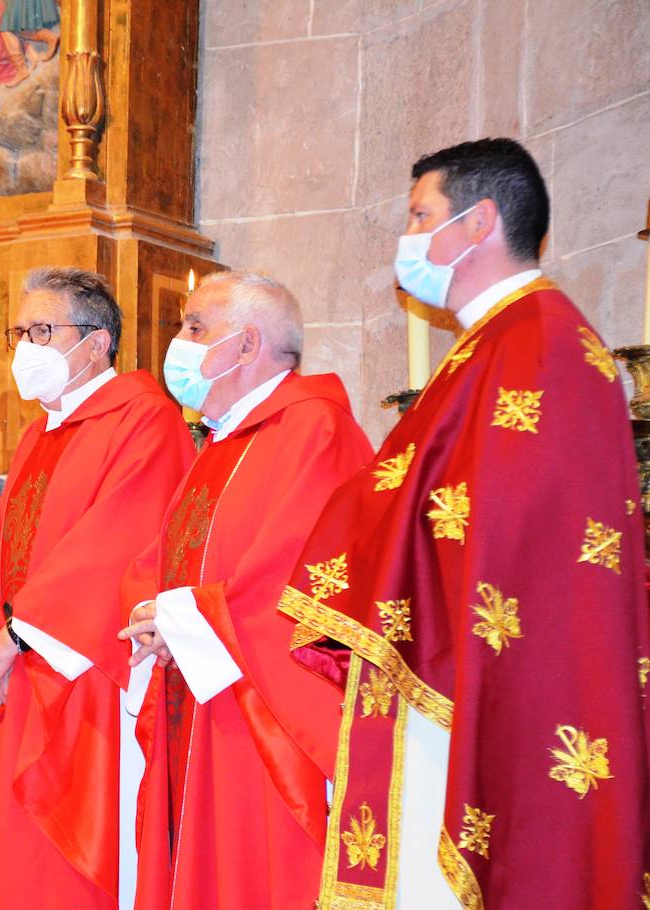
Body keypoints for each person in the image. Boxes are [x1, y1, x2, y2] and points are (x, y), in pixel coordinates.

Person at [279, 137, 650, 907]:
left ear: (479, 223)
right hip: (449, 660)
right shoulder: (493, 345)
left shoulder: (539, 342)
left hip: (485, 675)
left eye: (421, 216)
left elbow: (507, 534)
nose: (407, 240)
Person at [116, 271, 373, 909]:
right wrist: (151, 610)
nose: (177, 342)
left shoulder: (316, 429)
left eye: (194, 327)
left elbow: (300, 576)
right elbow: (164, 556)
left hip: (259, 713)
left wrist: (181, 619)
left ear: (247, 345)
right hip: (201, 698)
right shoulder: (221, 442)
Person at [0, 268, 194, 910]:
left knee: (71, 860)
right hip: (31, 670)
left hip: (93, 674)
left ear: (97, 343)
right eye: (20, 332)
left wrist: (13, 638)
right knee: (13, 863)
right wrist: (1, 644)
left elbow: (116, 543)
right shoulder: (40, 433)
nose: (27, 348)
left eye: (44, 330)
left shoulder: (144, 419)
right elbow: (9, 555)